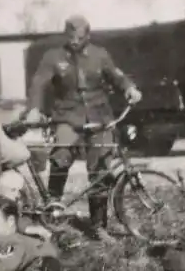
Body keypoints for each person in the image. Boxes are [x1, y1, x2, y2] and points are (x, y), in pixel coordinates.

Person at [25, 15, 143, 242]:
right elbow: (39, 83)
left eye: (79, 37)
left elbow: (117, 76)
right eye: (71, 37)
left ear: (88, 35)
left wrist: (129, 88)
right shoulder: (53, 57)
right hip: (67, 117)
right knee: (60, 157)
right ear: (65, 35)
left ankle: (99, 226)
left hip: (100, 117)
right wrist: (33, 109)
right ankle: (53, 213)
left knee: (101, 171)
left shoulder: (100, 55)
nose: (75, 41)